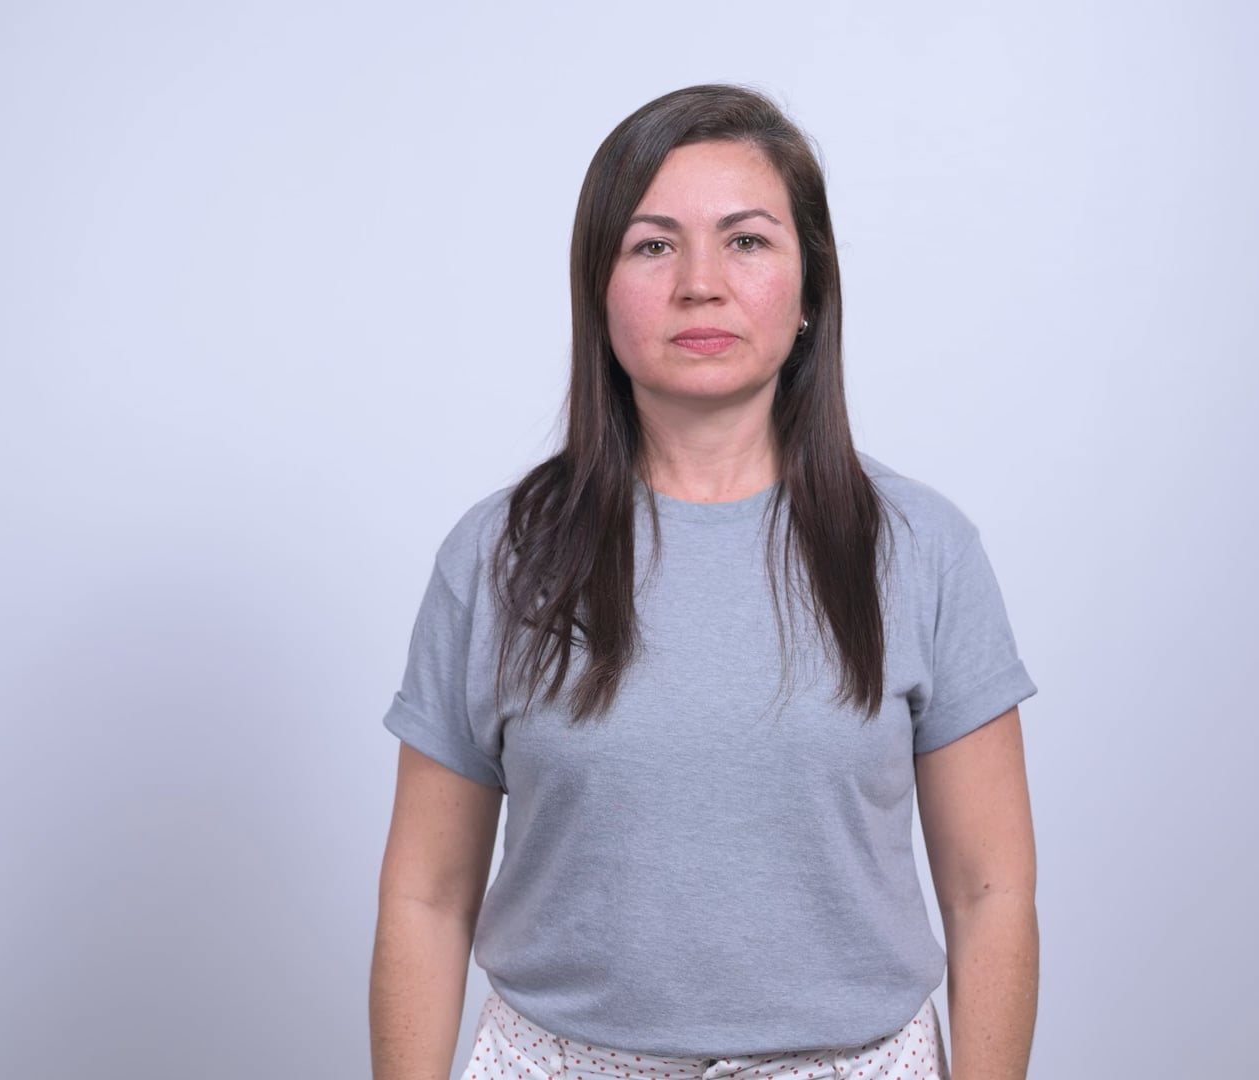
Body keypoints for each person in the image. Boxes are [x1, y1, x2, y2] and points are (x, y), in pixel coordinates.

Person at [370, 83, 1040, 1080]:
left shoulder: (921, 547)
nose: (700, 284)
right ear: (596, 290)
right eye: (652, 245)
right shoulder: (499, 556)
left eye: (747, 241)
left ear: (811, 289)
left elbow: (991, 892)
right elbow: (426, 897)